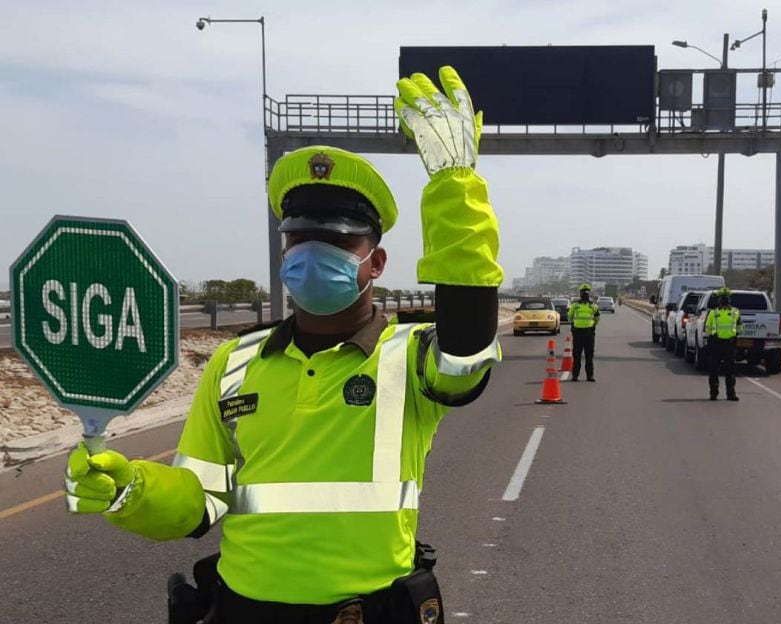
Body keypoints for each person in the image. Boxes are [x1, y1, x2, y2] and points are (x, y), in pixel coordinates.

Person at [64, 67, 503, 622]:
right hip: (243, 611)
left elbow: (466, 349)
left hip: (367, 612)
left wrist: (454, 187)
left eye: (339, 240)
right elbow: (199, 500)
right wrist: (132, 489)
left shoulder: (412, 359)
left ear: (377, 262)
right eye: (299, 239)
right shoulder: (233, 363)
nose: (312, 252)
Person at [704, 287, 740, 401]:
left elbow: (739, 327)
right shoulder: (712, 313)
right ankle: (713, 393)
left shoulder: (735, 312)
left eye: (726, 298)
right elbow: (707, 329)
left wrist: (734, 336)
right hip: (716, 344)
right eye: (723, 298)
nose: (724, 300)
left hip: (729, 344)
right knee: (714, 370)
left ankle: (731, 393)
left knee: (730, 371)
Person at [568, 283, 600, 381]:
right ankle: (575, 376)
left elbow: (597, 317)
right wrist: (573, 325)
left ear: (589, 294)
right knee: (577, 355)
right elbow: (570, 316)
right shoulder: (575, 305)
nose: (585, 294)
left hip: (589, 333)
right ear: (580, 294)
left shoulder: (593, 306)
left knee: (589, 355)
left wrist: (592, 325)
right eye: (583, 293)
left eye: (586, 293)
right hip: (577, 333)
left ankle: (590, 376)